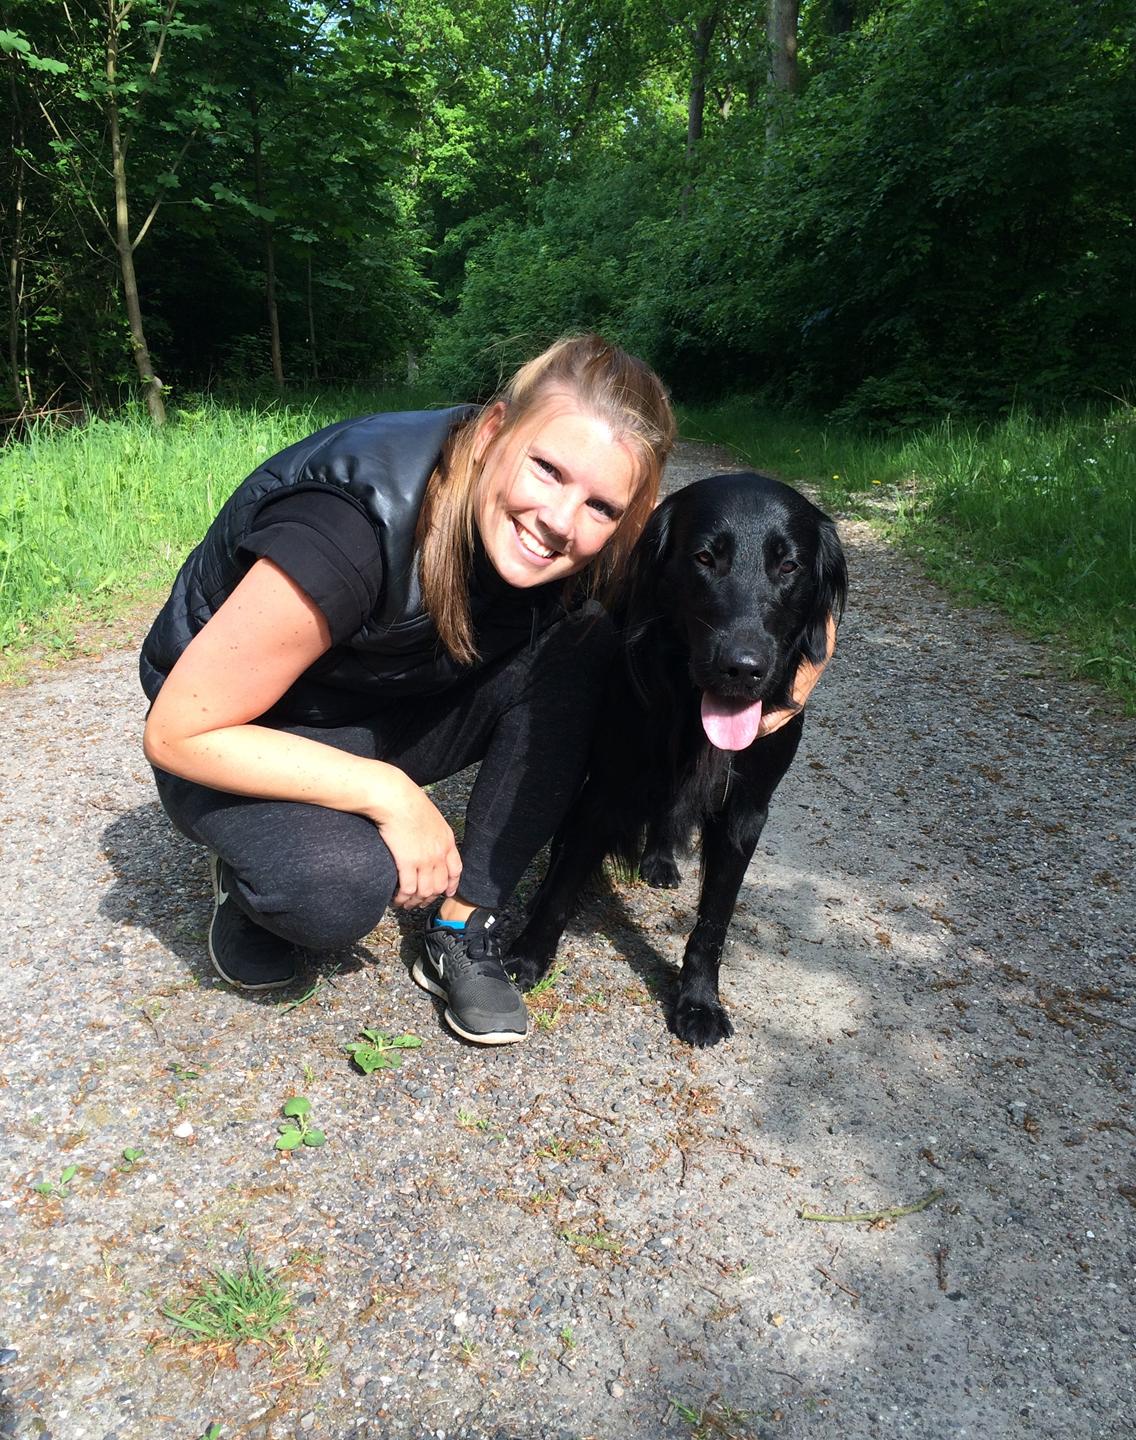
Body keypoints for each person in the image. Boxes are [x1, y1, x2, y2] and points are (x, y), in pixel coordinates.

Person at [140, 333, 834, 1047]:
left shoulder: (586, 533)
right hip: (242, 728)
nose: (561, 521)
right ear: (495, 429)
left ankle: (465, 925)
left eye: (600, 506)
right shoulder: (349, 523)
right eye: (546, 469)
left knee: (585, 639)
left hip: (373, 705)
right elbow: (177, 731)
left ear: (628, 517)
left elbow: (780, 576)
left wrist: (795, 671)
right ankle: (246, 878)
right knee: (336, 890)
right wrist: (390, 793)